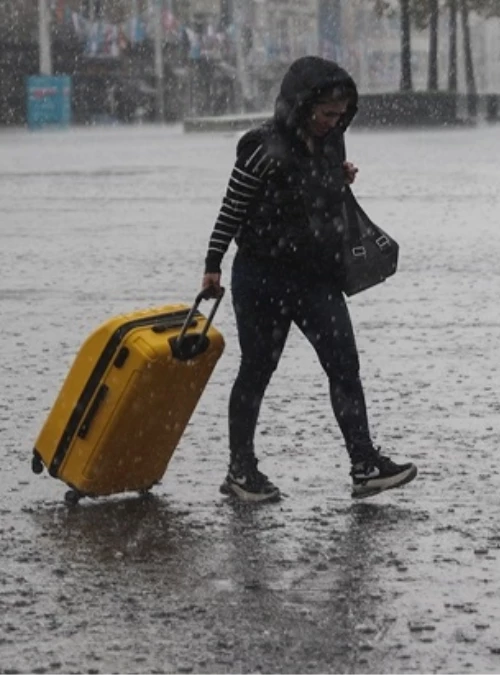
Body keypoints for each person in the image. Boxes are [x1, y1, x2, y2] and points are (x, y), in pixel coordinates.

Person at [200, 55, 418, 503]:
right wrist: (212, 264)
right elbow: (232, 207)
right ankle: (241, 470)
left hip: (316, 275)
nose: (332, 123)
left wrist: (338, 177)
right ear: (300, 105)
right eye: (325, 114)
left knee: (344, 366)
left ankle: (364, 464)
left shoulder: (331, 142)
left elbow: (316, 193)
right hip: (262, 276)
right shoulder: (261, 147)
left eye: (340, 116)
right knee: (257, 370)